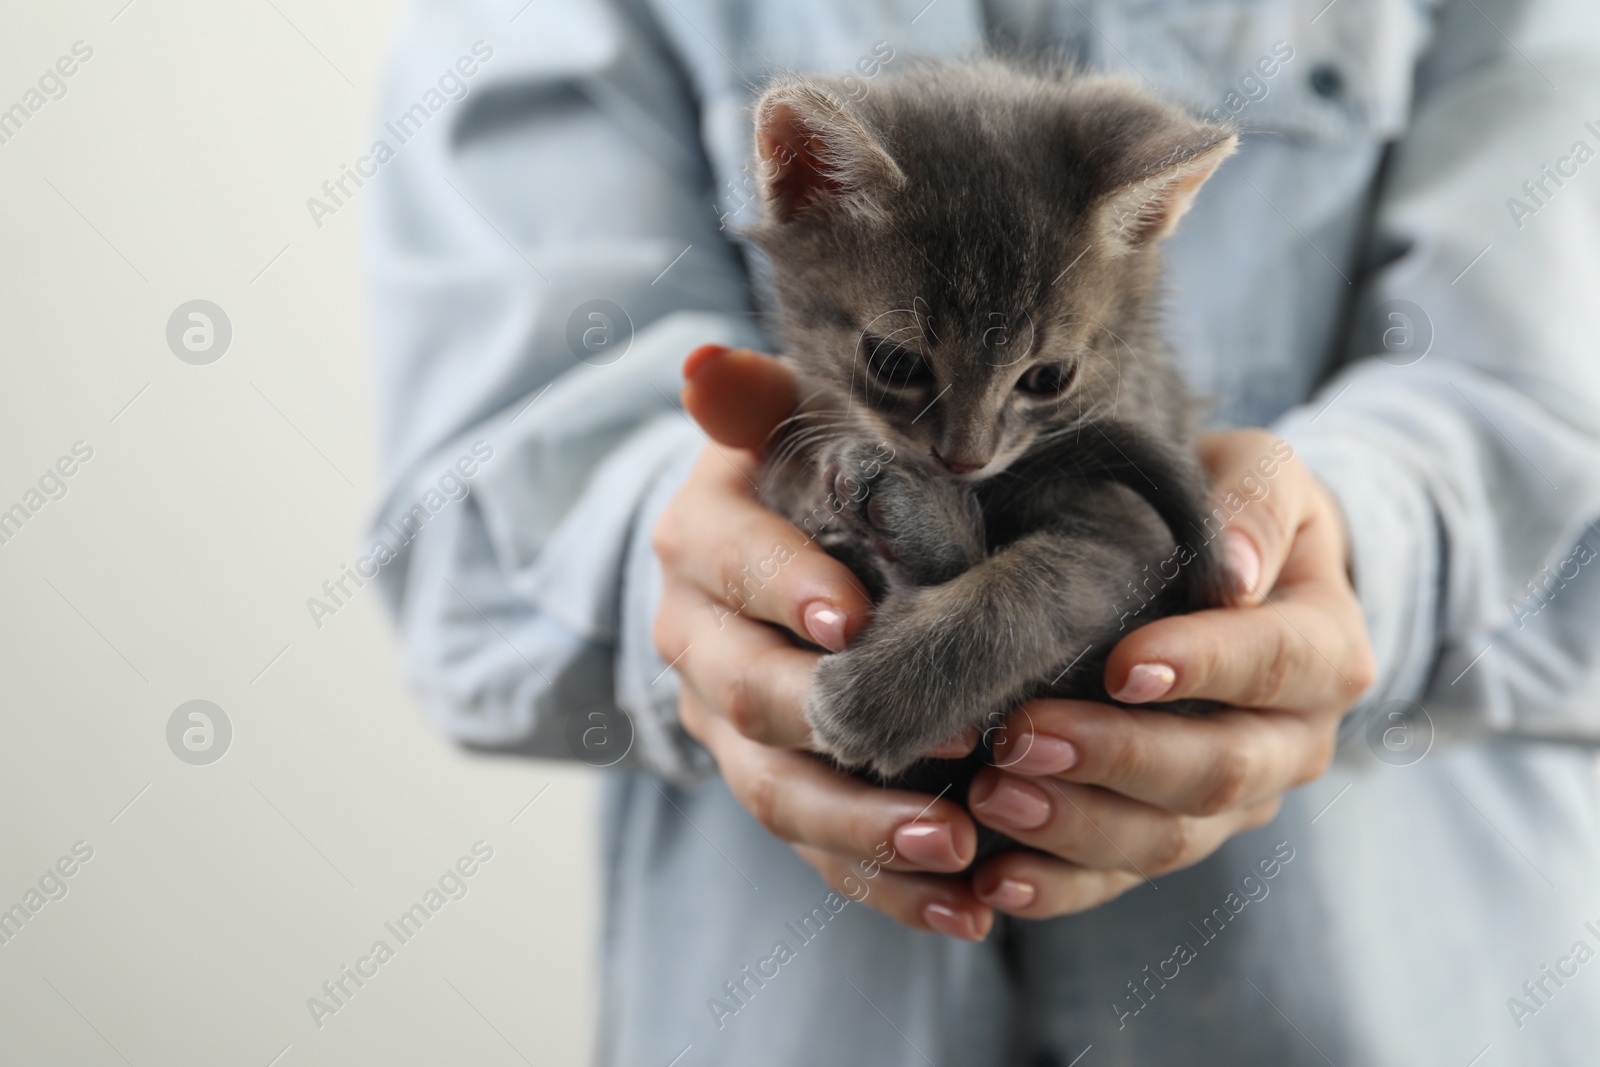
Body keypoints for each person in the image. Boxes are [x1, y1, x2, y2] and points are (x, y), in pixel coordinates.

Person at [365, 0, 1600, 1063]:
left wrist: (1353, 543)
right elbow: (457, 554)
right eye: (904, 364)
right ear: (798, 179)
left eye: (1040, 387)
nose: (967, 445)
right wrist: (687, 562)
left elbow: (1555, 435)